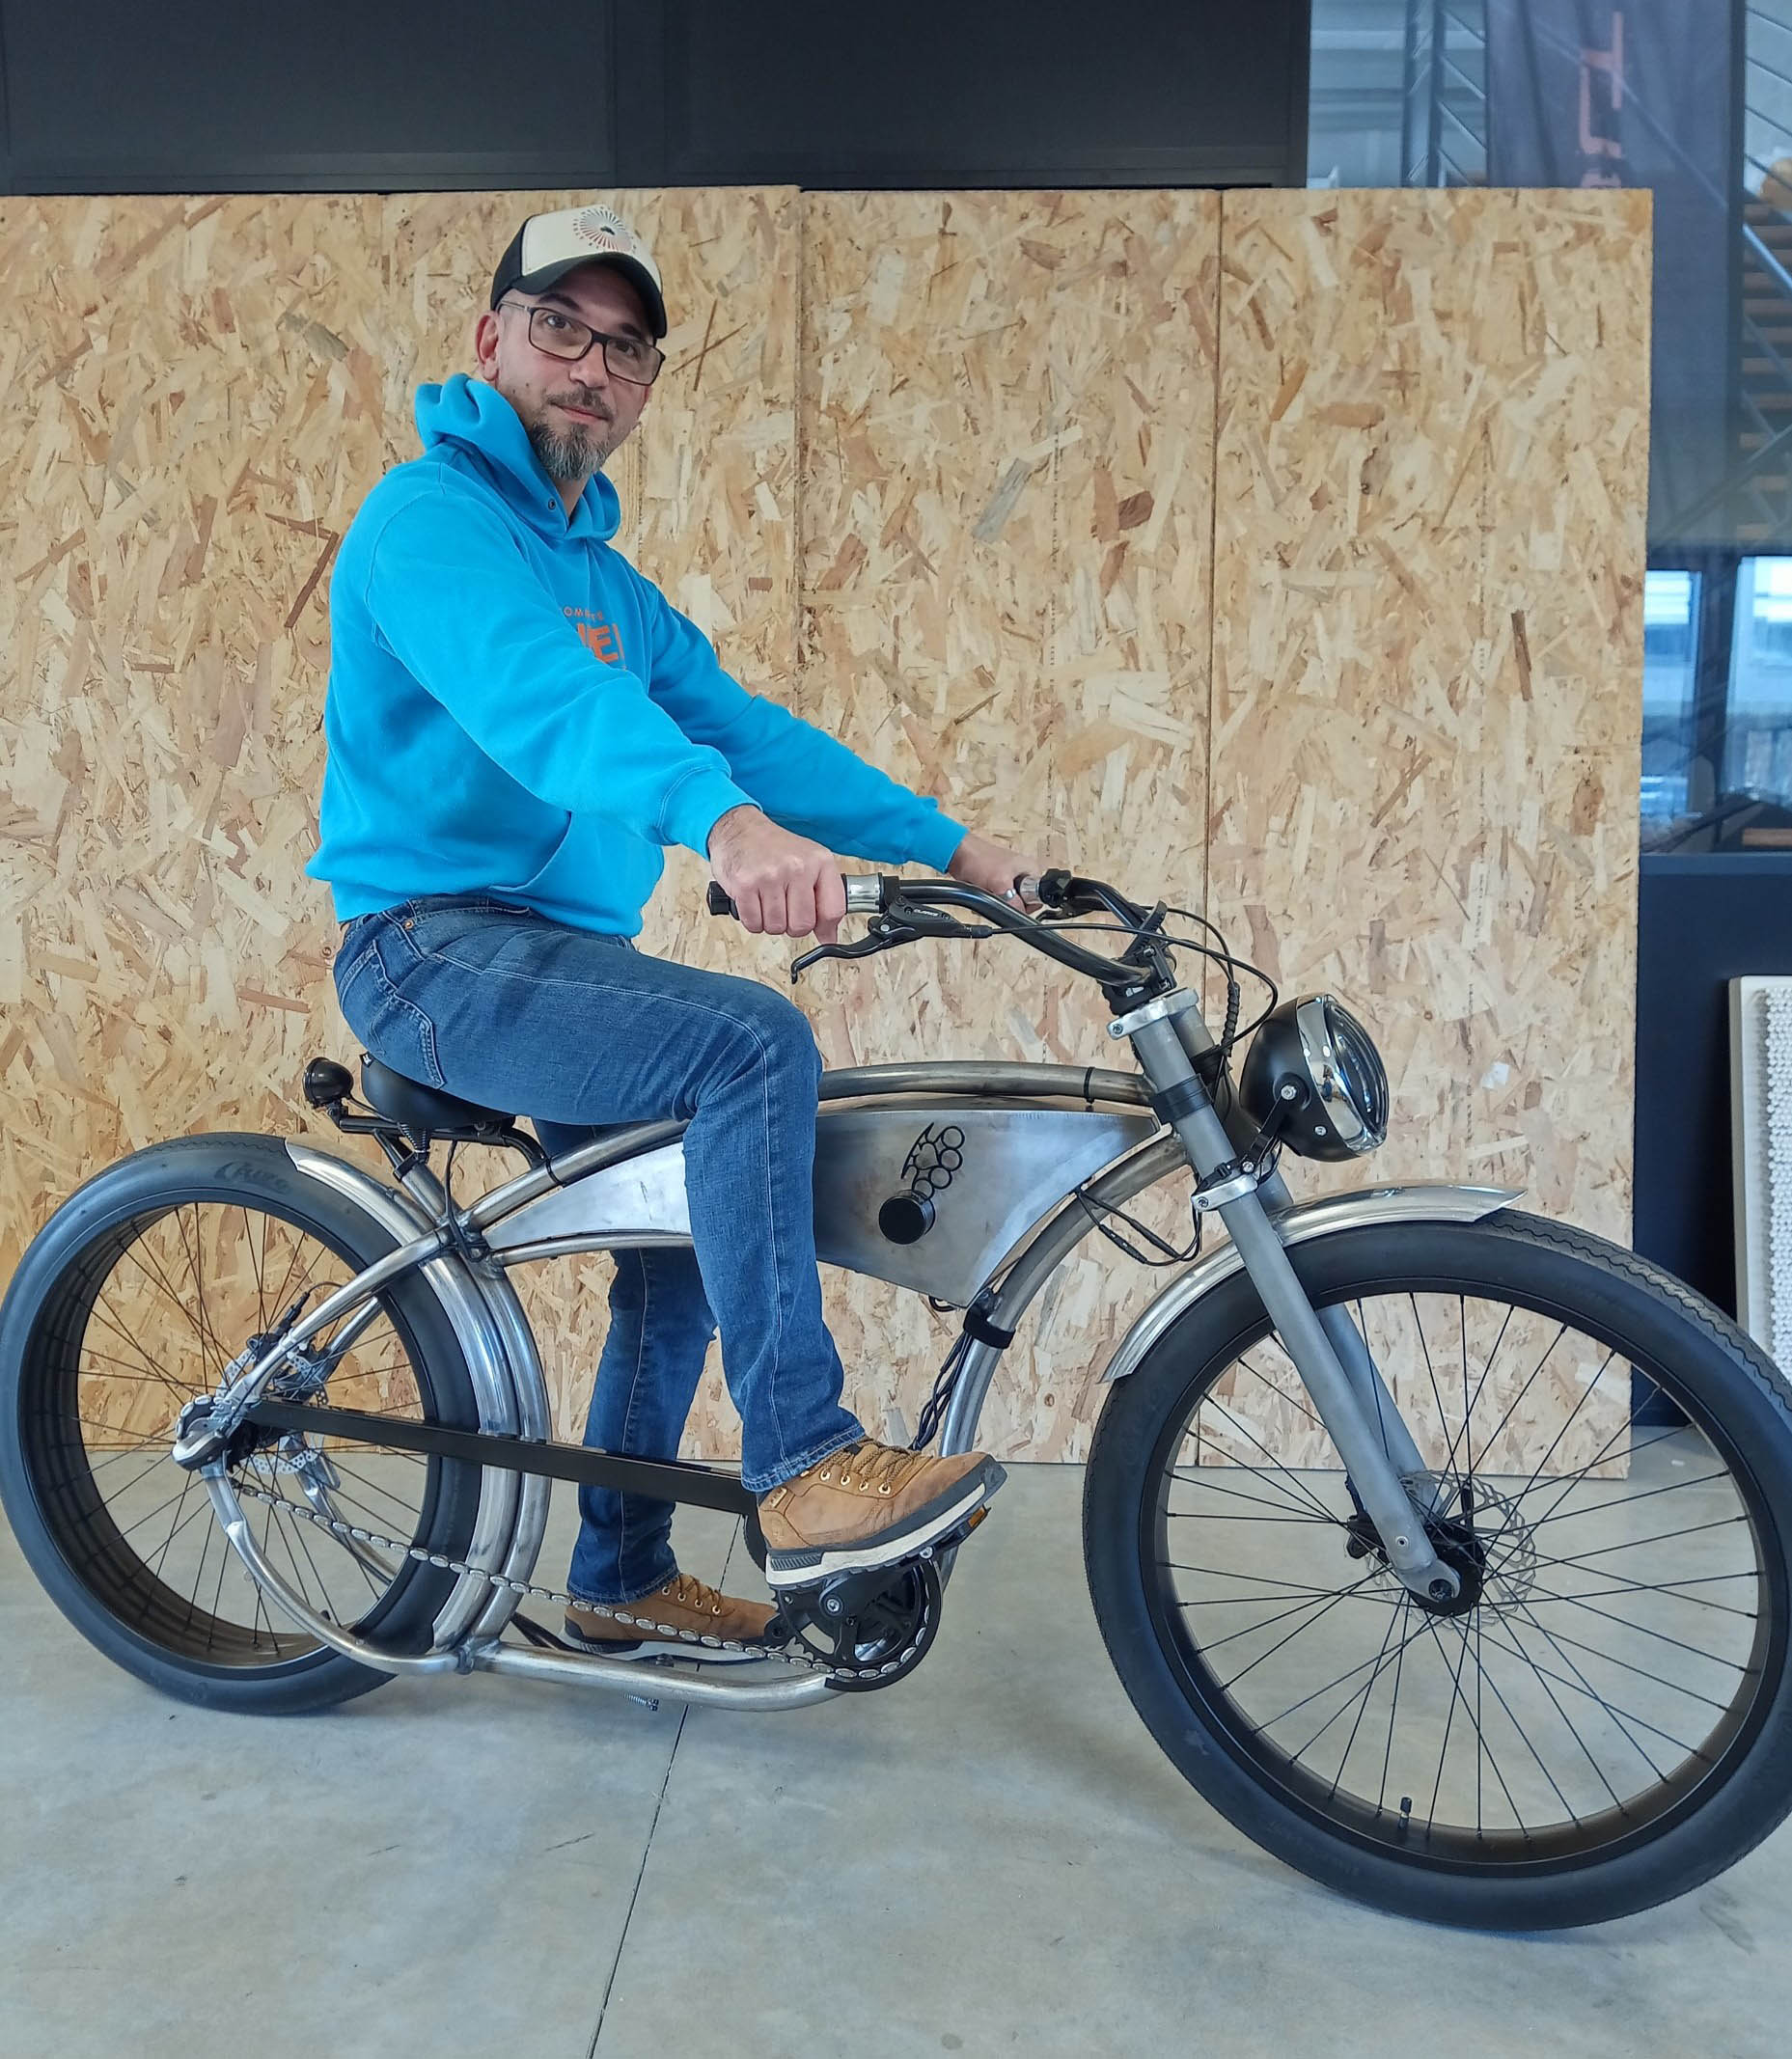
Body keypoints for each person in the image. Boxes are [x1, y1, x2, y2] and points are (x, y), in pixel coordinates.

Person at [309, 201, 1032, 1660]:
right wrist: (722, 827)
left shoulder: (610, 585)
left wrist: (953, 848)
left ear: (644, 384)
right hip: (429, 949)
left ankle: (620, 1573)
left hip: (555, 960)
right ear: (491, 339)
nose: (591, 366)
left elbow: (745, 733)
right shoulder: (427, 521)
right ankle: (806, 1464)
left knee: (682, 1240)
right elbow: (546, 703)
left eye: (626, 347)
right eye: (559, 326)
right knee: (751, 1042)